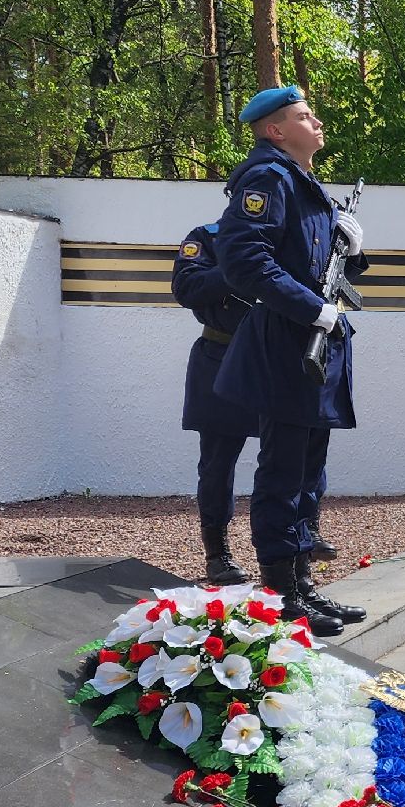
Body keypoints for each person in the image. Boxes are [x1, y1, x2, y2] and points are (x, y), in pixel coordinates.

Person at [211, 86, 370, 635]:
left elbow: (316, 264)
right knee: (282, 471)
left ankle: (302, 585)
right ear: (275, 130)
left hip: (311, 347)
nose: (317, 120)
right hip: (286, 342)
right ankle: (280, 594)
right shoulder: (267, 179)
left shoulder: (306, 186)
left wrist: (355, 248)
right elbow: (242, 259)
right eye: (305, 116)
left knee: (309, 471)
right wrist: (313, 310)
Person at [170, 223, 261, 586]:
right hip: (220, 355)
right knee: (217, 462)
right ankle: (217, 554)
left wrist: (353, 253)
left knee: (293, 457)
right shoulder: (209, 237)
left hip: (278, 359)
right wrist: (237, 269)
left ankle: (291, 550)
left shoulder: (287, 234)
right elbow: (186, 287)